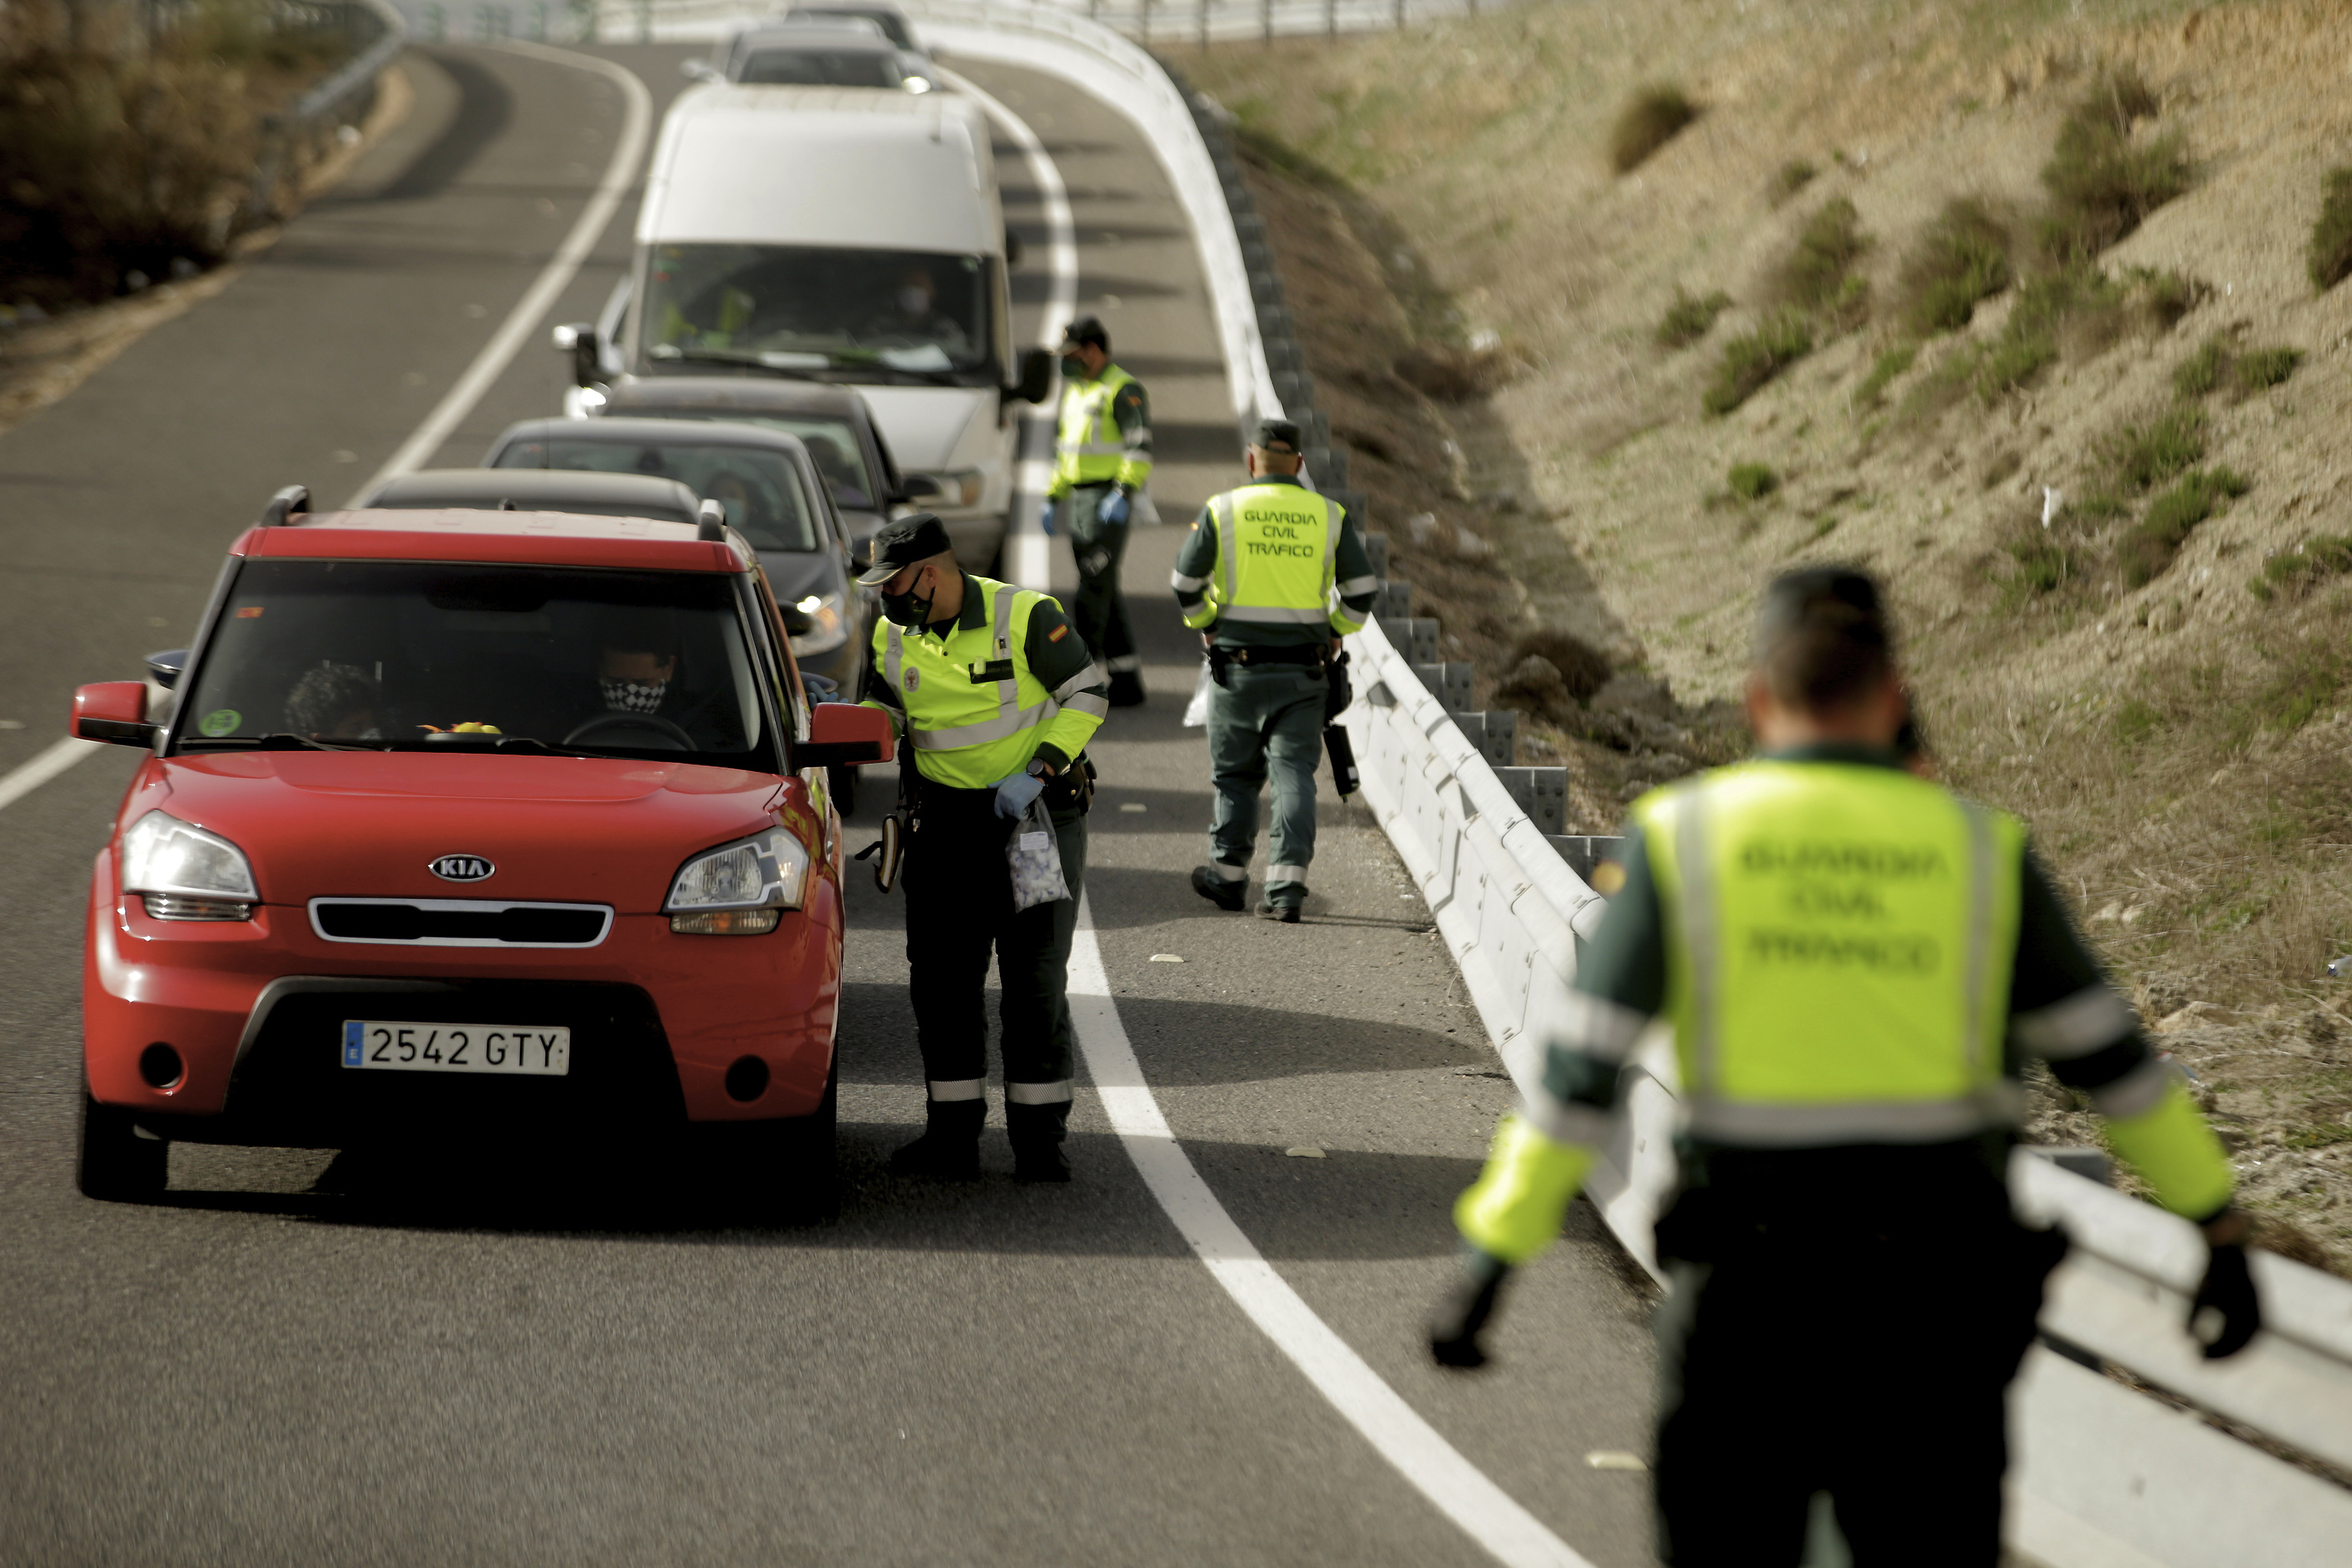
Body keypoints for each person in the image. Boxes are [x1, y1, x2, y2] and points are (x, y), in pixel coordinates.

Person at [1426, 566, 2261, 1566]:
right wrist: (2216, 1227)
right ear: (1897, 700)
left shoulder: (1686, 838)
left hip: (1748, 1302)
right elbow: (2121, 1077)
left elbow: (1576, 1084)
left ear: (1756, 700)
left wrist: (1491, 1264)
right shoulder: (1985, 856)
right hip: (1936, 1315)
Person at [857, 512, 1109, 1181]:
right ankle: (951, 1140)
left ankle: (1038, 1144)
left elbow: (1088, 692)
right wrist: (850, 721)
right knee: (942, 986)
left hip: (1033, 822)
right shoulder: (891, 633)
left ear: (930, 574)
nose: (885, 597)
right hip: (944, 830)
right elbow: (887, 713)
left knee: (1034, 987)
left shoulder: (1024, 615)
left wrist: (1042, 767)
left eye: (894, 583)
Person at [1171, 417, 1377, 923]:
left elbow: (1184, 581)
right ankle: (1286, 889)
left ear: (1250, 460)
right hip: (1304, 675)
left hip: (1237, 672)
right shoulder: (1328, 515)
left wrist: (1208, 626)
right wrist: (1335, 631)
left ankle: (1228, 877)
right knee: (1293, 776)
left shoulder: (1223, 510)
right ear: (1300, 465)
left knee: (1236, 777)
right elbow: (1362, 592)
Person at [1044, 315, 1152, 707]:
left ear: (1093, 350)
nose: (1067, 362)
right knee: (1104, 588)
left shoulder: (1122, 390)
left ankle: (1079, 684)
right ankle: (1126, 679)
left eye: (1072, 354)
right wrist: (1052, 495)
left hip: (1107, 503)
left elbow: (1139, 447)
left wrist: (1122, 493)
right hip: (1080, 502)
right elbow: (1065, 452)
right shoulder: (1077, 391)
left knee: (1090, 594)